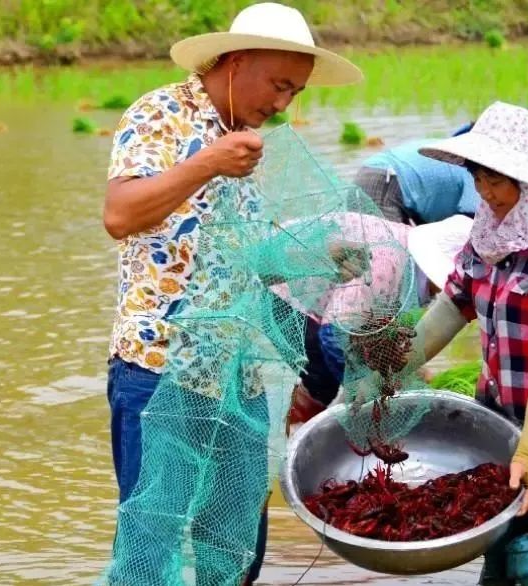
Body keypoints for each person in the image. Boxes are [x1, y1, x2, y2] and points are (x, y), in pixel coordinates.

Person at [101, 3, 362, 584]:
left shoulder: (247, 140)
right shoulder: (161, 113)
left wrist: (318, 258)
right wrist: (207, 162)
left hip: (236, 375)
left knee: (237, 539)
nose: (282, 104)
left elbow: (245, 259)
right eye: (278, 85)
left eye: (295, 92)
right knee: (154, 538)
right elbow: (120, 215)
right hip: (158, 368)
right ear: (237, 60)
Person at [390, 102, 528, 585]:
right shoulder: (491, 233)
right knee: (497, 549)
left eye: (497, 179)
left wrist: (527, 452)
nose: (484, 191)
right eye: (478, 177)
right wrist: (389, 374)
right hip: (496, 412)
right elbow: (453, 306)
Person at [280, 213, 473, 432]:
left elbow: (378, 326)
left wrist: (402, 366)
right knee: (322, 376)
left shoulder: (408, 260)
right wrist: (379, 384)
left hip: (331, 303)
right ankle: (306, 433)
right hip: (287, 289)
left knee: (339, 378)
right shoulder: (387, 264)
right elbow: (334, 335)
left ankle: (313, 420)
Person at [354, 140, 478, 225]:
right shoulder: (475, 167)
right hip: (385, 181)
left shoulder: (456, 150)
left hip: (378, 174)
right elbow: (470, 218)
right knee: (384, 255)